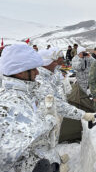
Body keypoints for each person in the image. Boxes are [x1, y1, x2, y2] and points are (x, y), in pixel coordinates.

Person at [0, 44, 59, 172]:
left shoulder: (24, 93)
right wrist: (50, 120)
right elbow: (6, 156)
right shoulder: (13, 103)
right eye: (33, 69)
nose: (37, 72)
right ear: (20, 72)